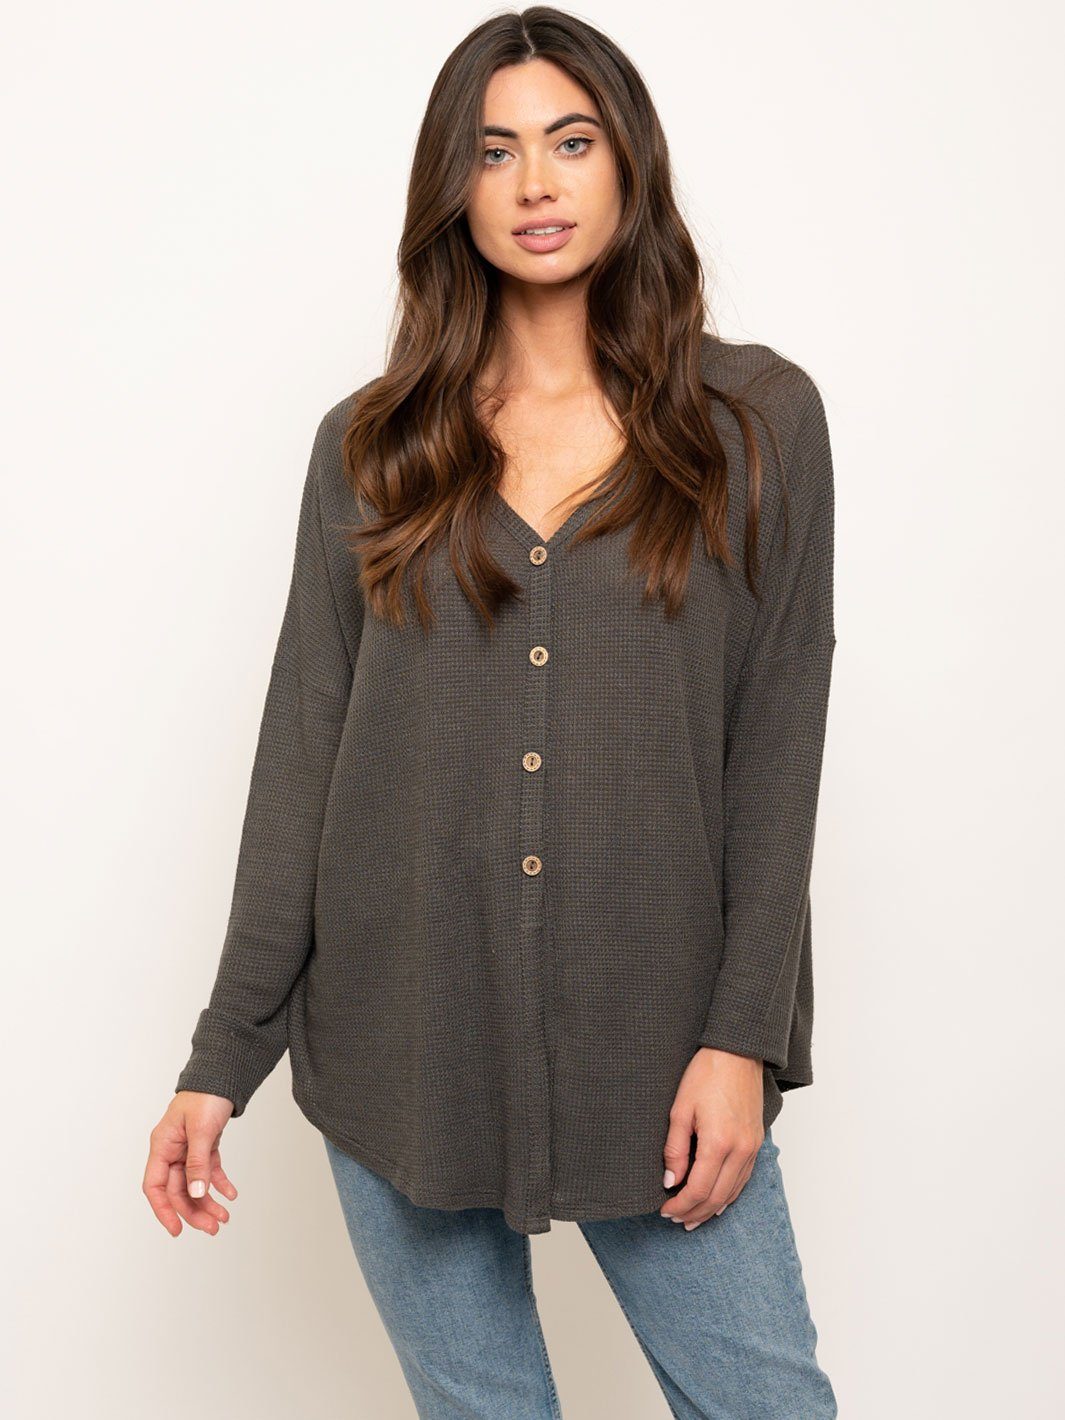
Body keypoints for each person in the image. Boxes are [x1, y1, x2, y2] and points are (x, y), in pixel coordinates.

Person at [144, 8, 839, 1416]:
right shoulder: (373, 445)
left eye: (570, 143)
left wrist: (741, 1039)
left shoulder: (756, 423)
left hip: (656, 1039)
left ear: (626, 161)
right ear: (451, 188)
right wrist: (221, 1061)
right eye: (494, 150)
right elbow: (305, 751)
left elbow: (777, 747)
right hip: (405, 1036)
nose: (534, 184)